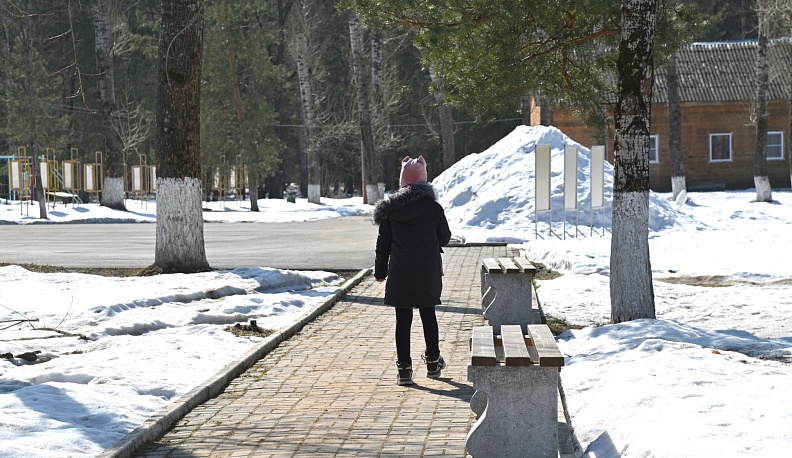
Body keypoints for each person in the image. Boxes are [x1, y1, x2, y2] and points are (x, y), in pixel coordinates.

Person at [373, 155, 452, 386]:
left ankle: (404, 369)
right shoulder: (433, 208)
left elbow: (383, 244)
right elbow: (445, 238)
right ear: (424, 181)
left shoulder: (392, 211)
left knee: (403, 319)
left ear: (403, 182)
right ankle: (433, 362)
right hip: (428, 270)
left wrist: (380, 272)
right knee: (428, 314)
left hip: (401, 271)